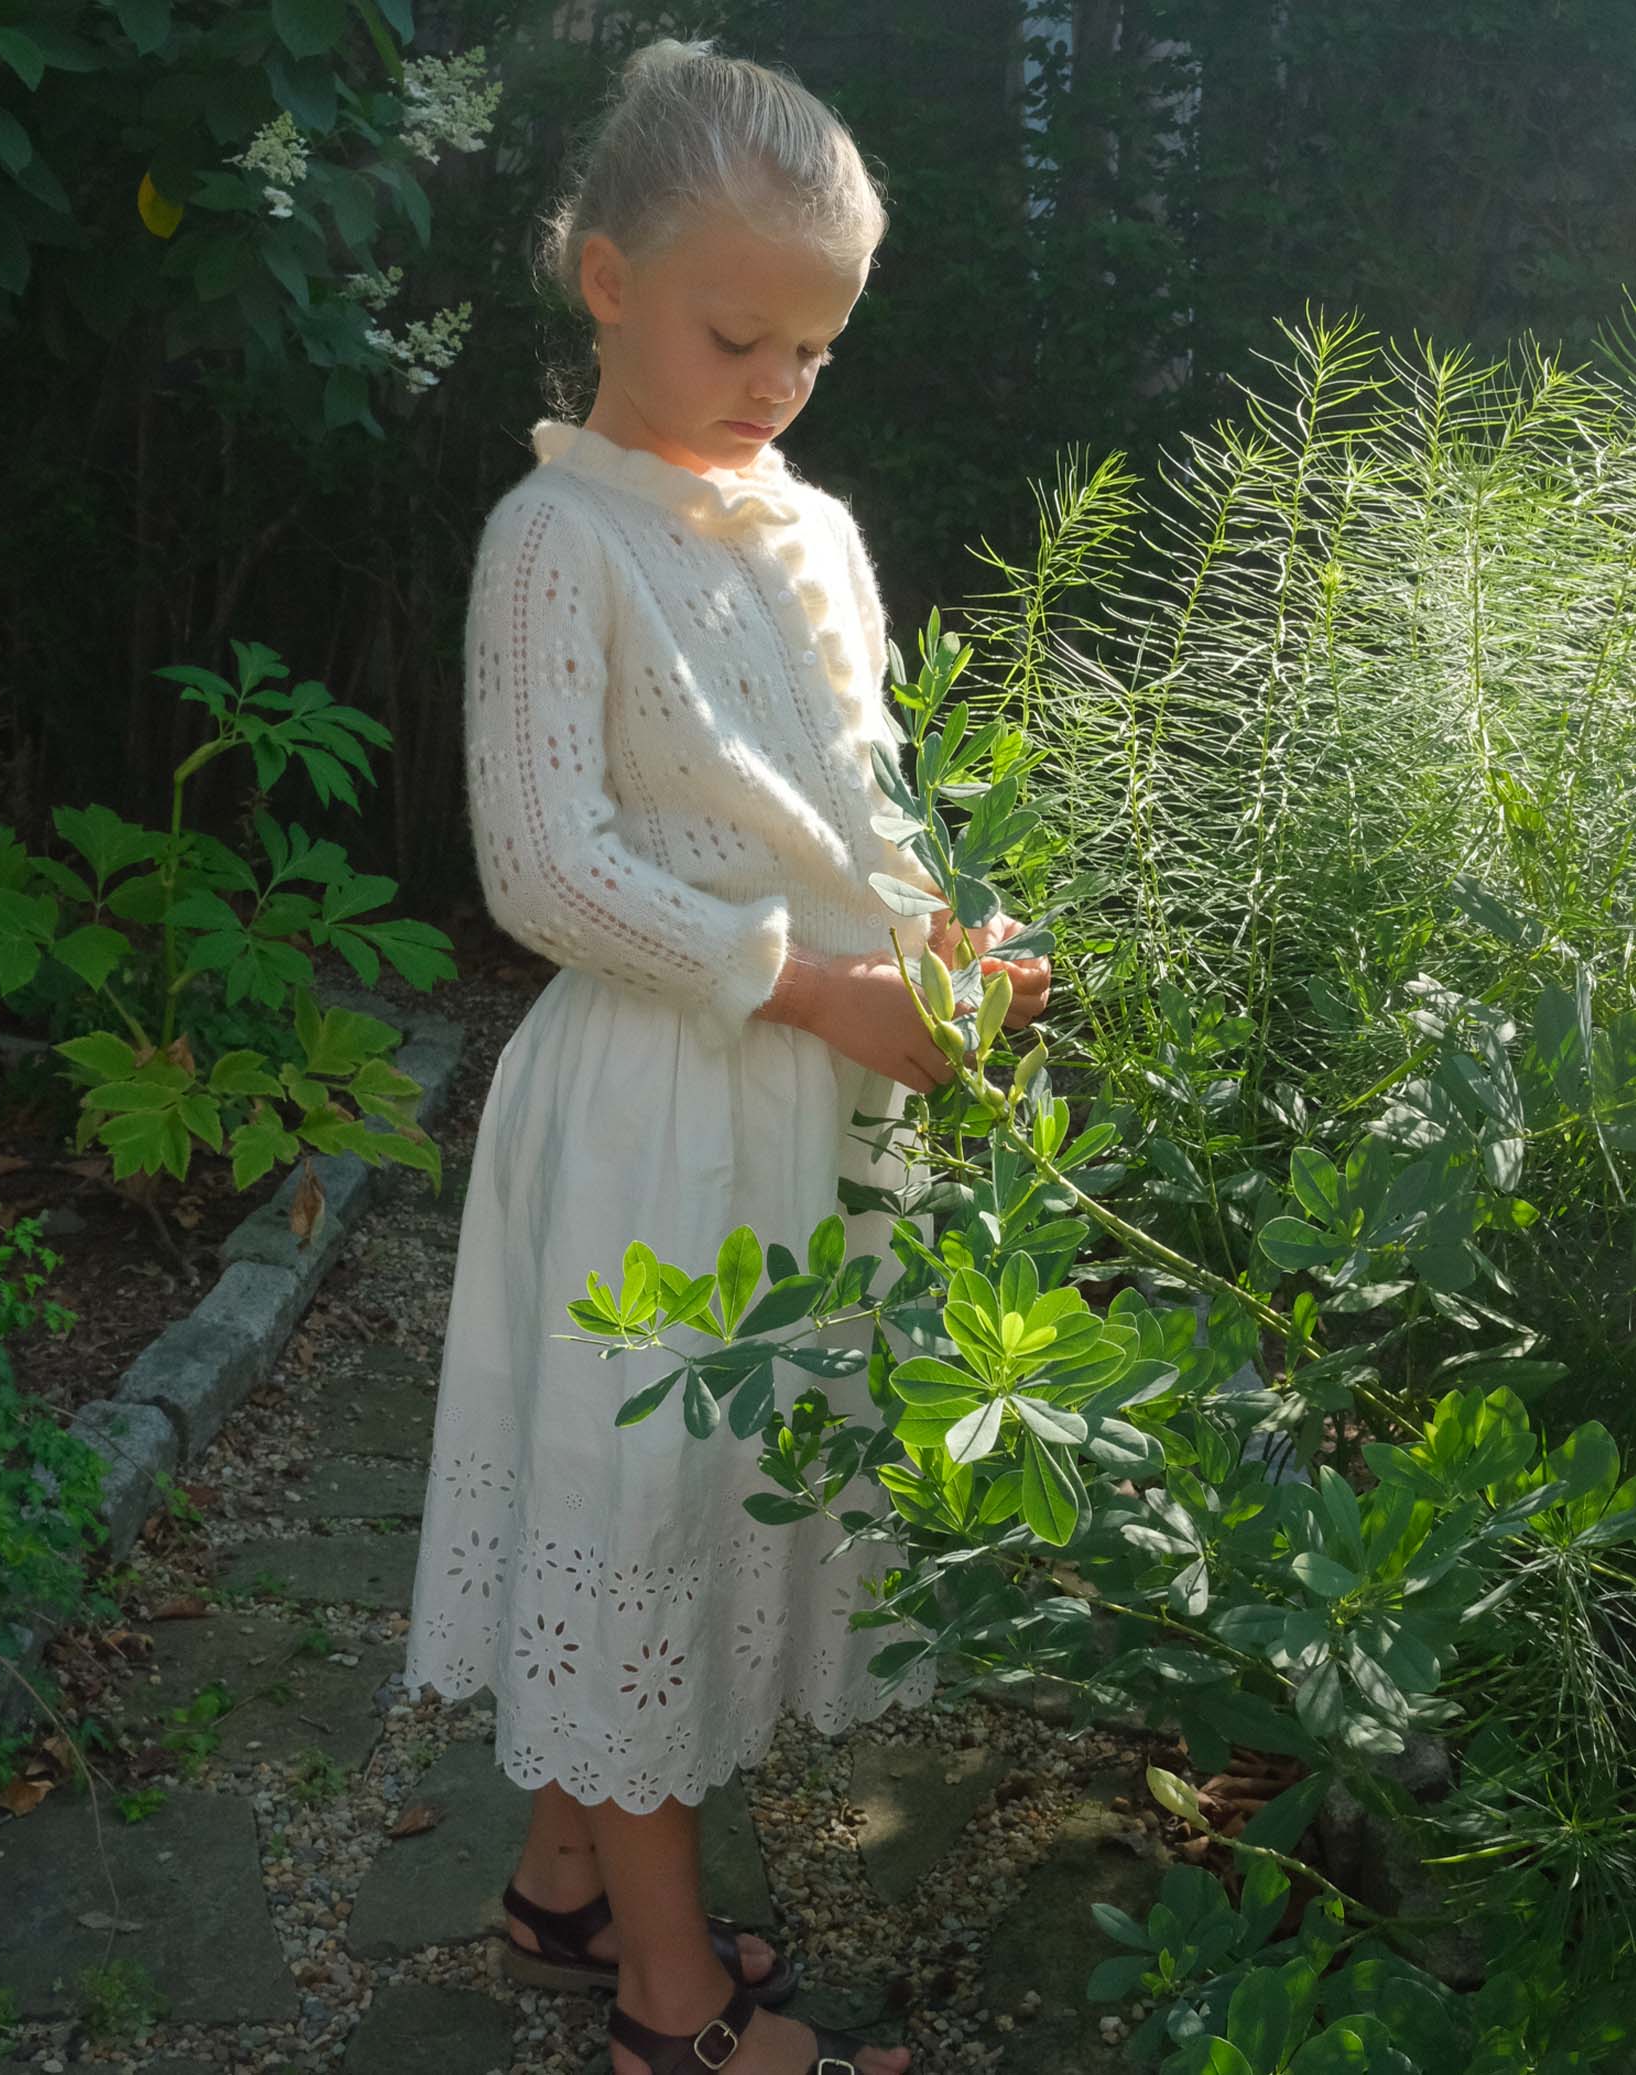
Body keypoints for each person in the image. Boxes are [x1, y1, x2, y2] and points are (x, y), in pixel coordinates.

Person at [402, 33, 1053, 2075]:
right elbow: (544, 867)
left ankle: (565, 1887)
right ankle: (667, 2007)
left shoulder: (812, 530)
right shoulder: (556, 544)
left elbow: (856, 792)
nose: (776, 382)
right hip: (659, 1108)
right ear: (607, 281)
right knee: (643, 1513)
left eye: (815, 350)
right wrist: (811, 985)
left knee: (725, 1499)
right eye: (736, 334)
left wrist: (939, 942)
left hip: (811, 1104)